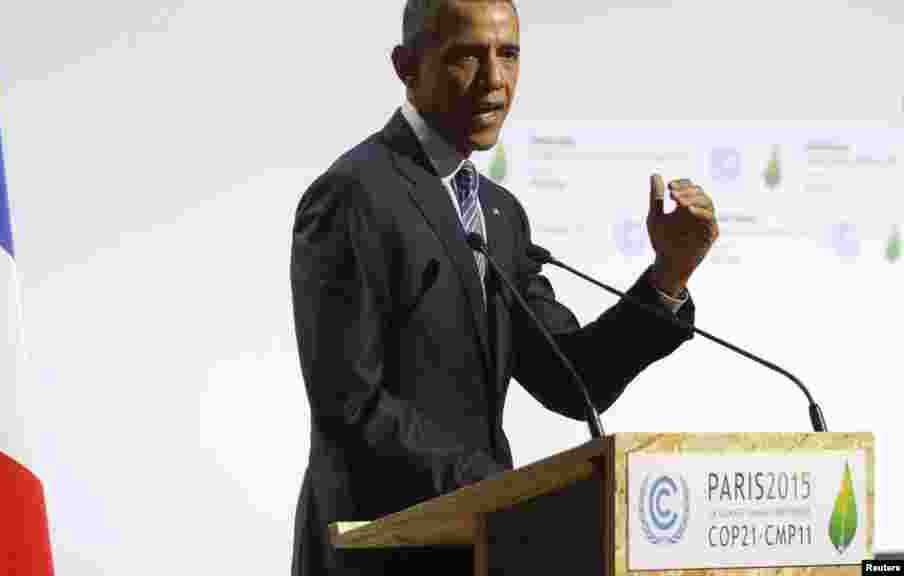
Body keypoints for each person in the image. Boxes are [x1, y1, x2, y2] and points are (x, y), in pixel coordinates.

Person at [289, 1, 719, 574]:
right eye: (467, 56)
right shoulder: (353, 195)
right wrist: (503, 487)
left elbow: (573, 378)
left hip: (482, 551)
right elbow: (350, 404)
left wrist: (671, 274)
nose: (495, 80)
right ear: (405, 65)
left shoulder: (499, 213)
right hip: (378, 553)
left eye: (509, 54)